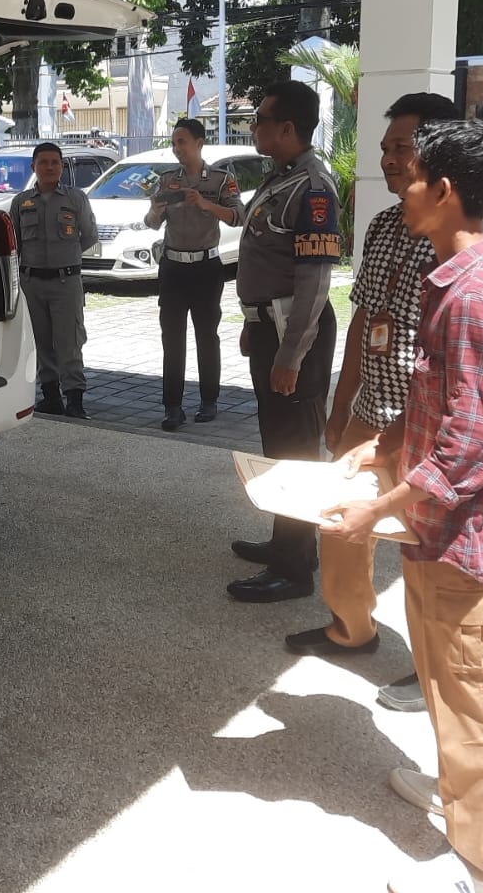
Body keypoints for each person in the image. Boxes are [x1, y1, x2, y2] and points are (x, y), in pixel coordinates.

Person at [325, 119, 483, 893]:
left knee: (469, 698)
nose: (400, 188)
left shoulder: (471, 298)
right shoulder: (448, 280)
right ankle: (453, 793)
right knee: (441, 677)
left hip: (464, 539)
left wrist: (376, 509)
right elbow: (440, 403)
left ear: (442, 192)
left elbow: (472, 442)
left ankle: (478, 865)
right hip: (436, 528)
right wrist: (382, 445)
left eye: (410, 176)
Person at [282, 94, 483, 717]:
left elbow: (481, 372)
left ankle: (433, 662)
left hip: (437, 427)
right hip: (378, 414)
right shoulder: (387, 224)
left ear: (439, 167)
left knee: (433, 547)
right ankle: (351, 628)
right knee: (341, 528)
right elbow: (366, 317)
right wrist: (342, 406)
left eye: (402, 149)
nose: (389, 160)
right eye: (386, 148)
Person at [226, 81, 339, 604]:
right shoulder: (283, 178)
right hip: (271, 326)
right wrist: (255, 324)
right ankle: (289, 543)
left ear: (288, 128)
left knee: (296, 450)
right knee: (279, 443)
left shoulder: (312, 188)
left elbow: (314, 283)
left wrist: (291, 355)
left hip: (297, 334)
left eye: (262, 120)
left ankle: (294, 571)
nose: (255, 128)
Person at [143, 117, 244, 430]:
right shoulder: (166, 180)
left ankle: (209, 400)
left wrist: (205, 204)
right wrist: (155, 211)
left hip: (205, 268)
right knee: (172, 339)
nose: (177, 149)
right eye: (174, 143)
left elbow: (238, 216)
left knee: (206, 336)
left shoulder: (220, 179)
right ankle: (172, 406)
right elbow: (151, 223)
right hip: (173, 268)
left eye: (182, 142)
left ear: (199, 143)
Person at [13, 142, 99, 418]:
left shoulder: (75, 199)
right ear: (34, 167)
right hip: (32, 283)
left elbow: (89, 236)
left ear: (62, 167)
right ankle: (50, 396)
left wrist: (67, 257)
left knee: (69, 342)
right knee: (40, 342)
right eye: (43, 162)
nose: (49, 167)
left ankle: (74, 400)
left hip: (66, 282)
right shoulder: (21, 202)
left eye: (55, 163)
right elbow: (15, 243)